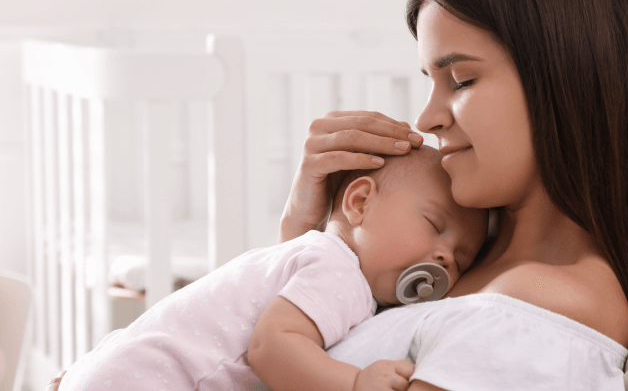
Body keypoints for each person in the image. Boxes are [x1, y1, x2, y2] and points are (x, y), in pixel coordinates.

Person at [49, 0, 628, 391]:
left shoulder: (543, 311)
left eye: (461, 79)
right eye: (429, 82)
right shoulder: (470, 263)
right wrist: (309, 237)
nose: (428, 117)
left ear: (566, 77)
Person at [53, 146, 488, 391]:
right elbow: (272, 348)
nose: (446, 256)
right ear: (360, 202)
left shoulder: (306, 255)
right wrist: (356, 384)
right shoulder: (340, 272)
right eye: (434, 226)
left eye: (462, 257)